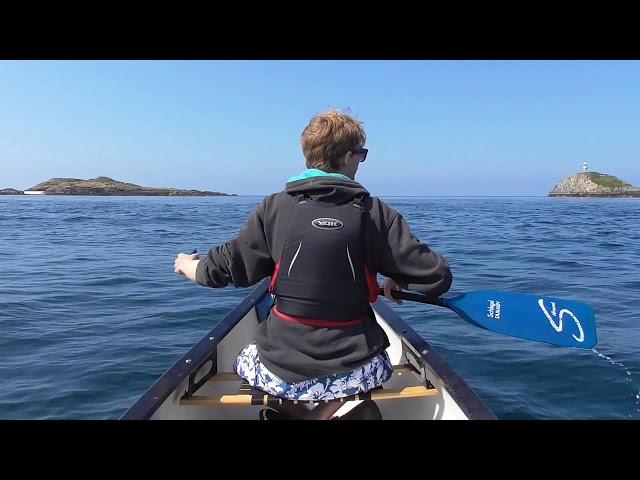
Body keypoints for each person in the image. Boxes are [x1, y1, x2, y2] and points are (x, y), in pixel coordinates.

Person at [174, 109, 452, 419]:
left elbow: (224, 268)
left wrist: (188, 265)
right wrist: (400, 281)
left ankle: (299, 411)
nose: (360, 161)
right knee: (369, 364)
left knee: (252, 358)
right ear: (348, 156)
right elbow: (436, 276)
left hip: (279, 367)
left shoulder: (273, 207)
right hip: (355, 367)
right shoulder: (377, 214)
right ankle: (339, 408)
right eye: (361, 153)